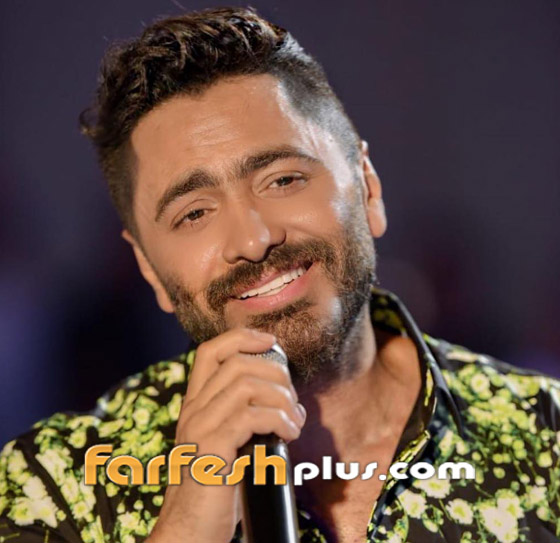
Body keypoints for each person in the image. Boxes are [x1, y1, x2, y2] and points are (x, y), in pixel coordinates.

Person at [1, 6, 559, 543]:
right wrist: (188, 526)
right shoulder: (52, 484)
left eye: (283, 180)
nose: (253, 240)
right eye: (193, 214)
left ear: (368, 189)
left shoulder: (546, 437)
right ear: (147, 267)